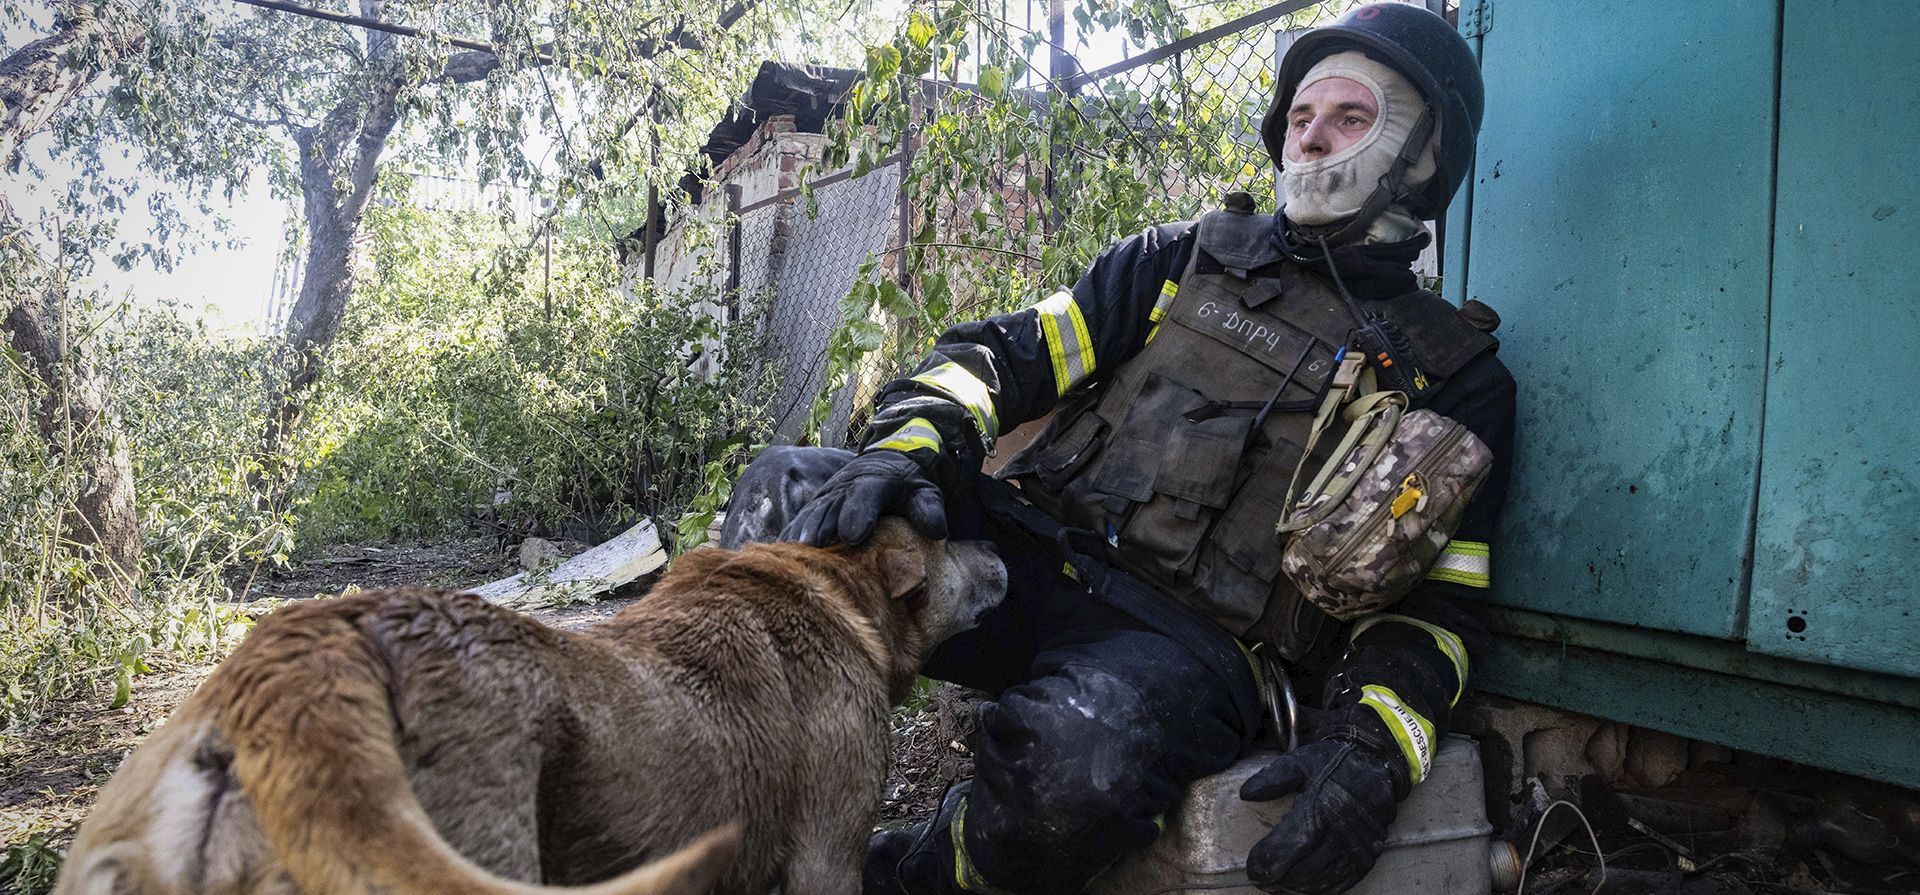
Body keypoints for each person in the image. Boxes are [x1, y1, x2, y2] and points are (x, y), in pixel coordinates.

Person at [719, 5, 1515, 894]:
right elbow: (997, 358)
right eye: (1299, 117)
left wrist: (1374, 746)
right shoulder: (1182, 258)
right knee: (785, 496)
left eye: (1351, 118)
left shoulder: (1452, 378)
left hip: (1183, 652)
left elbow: (1439, 614)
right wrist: (907, 452)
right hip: (1024, 561)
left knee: (1072, 766)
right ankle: (732, 823)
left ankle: (911, 871)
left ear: (1426, 153)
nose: (1313, 140)